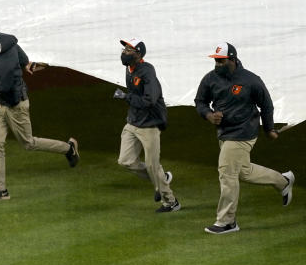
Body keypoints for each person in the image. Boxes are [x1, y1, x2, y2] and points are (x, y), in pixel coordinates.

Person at [0, 19, 79, 201]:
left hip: (16, 107)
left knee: (28, 143)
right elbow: (25, 62)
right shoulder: (10, 43)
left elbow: (3, 86)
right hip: (0, 105)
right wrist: (31, 66)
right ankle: (0, 190)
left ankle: (68, 148)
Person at [195, 42, 294, 234]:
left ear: (232, 59)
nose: (217, 64)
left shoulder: (250, 80)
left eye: (221, 61)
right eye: (215, 61)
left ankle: (227, 221)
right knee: (243, 171)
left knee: (226, 173)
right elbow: (200, 101)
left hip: (243, 133)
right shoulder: (210, 79)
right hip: (224, 133)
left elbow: (266, 105)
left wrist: (269, 129)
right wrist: (208, 115)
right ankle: (283, 181)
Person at [113, 38, 179, 212]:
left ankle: (171, 202)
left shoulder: (147, 71)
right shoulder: (129, 69)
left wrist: (126, 97)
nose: (124, 52)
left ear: (138, 54)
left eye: (128, 50)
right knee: (125, 161)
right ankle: (161, 177)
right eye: (124, 49)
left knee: (152, 165)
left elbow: (149, 100)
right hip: (132, 123)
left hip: (149, 125)